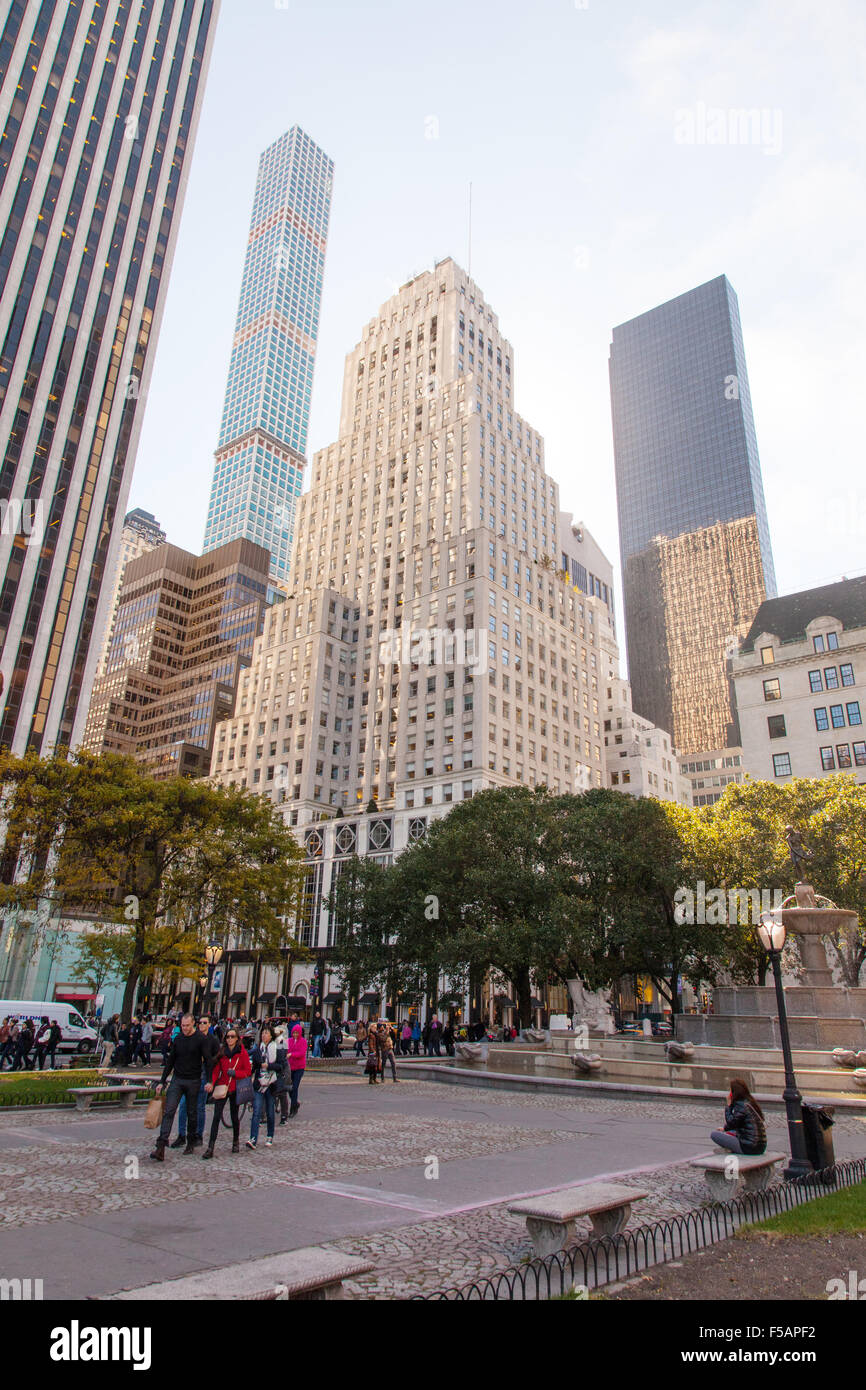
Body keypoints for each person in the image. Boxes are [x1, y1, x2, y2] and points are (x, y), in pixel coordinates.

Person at [150, 1014, 213, 1162]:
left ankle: (190, 1141)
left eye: (187, 1026)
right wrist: (162, 1081)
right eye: (183, 1026)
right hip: (178, 1079)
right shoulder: (178, 1039)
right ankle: (161, 1146)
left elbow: (208, 1061)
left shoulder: (201, 1039)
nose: (184, 1028)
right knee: (169, 1110)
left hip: (193, 1080)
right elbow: (171, 1061)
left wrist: (209, 1080)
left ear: (193, 1024)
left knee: (192, 1112)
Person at [202, 1027, 252, 1158]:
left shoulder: (242, 1053)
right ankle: (210, 1147)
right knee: (216, 1117)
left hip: (235, 1088)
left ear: (237, 1039)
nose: (229, 1039)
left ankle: (235, 1141)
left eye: (232, 1037)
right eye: (228, 1037)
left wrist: (236, 1073)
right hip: (223, 1086)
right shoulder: (222, 1052)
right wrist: (212, 1082)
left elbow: (247, 1071)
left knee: (234, 1116)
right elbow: (216, 1070)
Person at [172, 1016, 218, 1149]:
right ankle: (182, 1135)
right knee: (183, 1105)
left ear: (209, 1025)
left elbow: (216, 1058)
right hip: (190, 1075)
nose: (202, 1025)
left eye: (205, 1023)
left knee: (199, 1106)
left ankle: (198, 1135)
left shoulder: (211, 1040)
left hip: (203, 1075)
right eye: (200, 1022)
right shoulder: (192, 1037)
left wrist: (210, 1076)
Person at [710, 1078, 767, 1156]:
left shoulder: (741, 1105)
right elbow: (737, 1123)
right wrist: (725, 1129)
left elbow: (731, 1123)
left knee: (714, 1134)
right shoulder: (749, 1102)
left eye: (730, 1090)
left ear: (733, 1092)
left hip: (749, 1147)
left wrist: (729, 1106)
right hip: (760, 1146)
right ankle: (732, 1148)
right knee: (730, 1132)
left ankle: (732, 1149)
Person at [247, 1025, 279, 1149]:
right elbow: (255, 1065)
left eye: (266, 1033)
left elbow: (280, 1066)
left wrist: (269, 1066)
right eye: (263, 1033)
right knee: (257, 1111)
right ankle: (253, 1139)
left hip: (271, 1084)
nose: (264, 1035)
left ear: (271, 1035)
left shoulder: (276, 1048)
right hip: (259, 1084)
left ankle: (269, 1135)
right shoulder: (258, 1049)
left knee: (270, 1113)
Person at [287, 1022, 307, 1116]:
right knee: (289, 1088)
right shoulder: (289, 1041)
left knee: (295, 1087)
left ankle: (293, 1109)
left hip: (299, 1067)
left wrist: (292, 1054)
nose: (295, 1035)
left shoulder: (303, 1041)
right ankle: (295, 1102)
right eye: (294, 1033)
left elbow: (301, 1053)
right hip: (290, 1067)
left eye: (297, 1033)